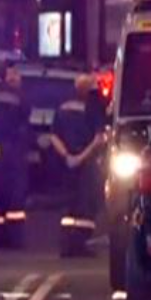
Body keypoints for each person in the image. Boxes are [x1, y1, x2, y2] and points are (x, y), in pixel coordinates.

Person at [51, 74, 107, 257]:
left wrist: (67, 156)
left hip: (66, 164)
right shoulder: (94, 108)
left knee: (69, 205)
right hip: (88, 163)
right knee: (87, 205)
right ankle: (79, 245)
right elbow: (99, 138)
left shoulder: (63, 107)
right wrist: (82, 157)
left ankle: (66, 246)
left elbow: (54, 136)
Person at [0, 64, 31, 249]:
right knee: (15, 195)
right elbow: (25, 115)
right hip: (14, 149)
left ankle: (0, 237)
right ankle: (14, 238)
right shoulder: (17, 95)